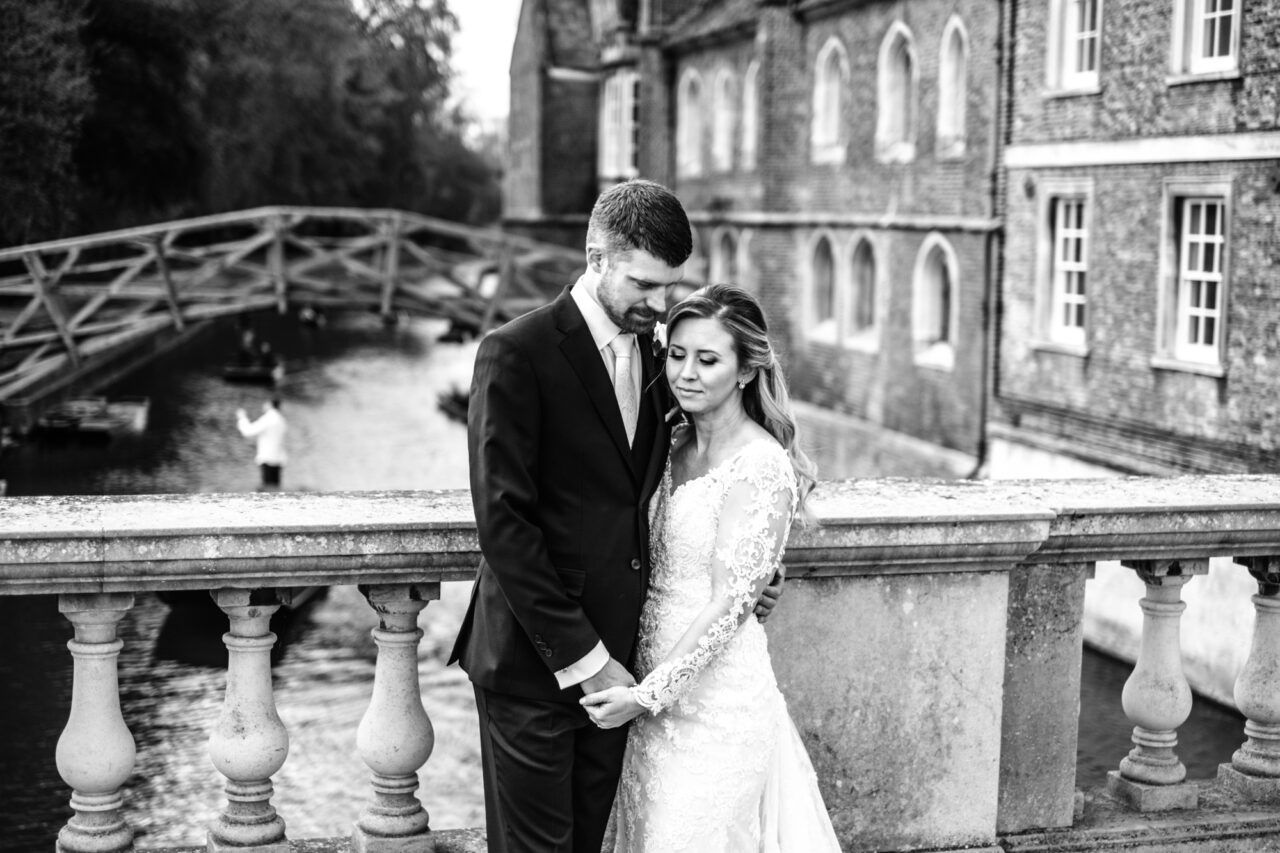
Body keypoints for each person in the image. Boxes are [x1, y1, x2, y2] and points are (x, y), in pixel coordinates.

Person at [448, 180, 782, 853]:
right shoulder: (516, 352)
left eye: (670, 285)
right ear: (595, 255)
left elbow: (693, 485)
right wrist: (586, 659)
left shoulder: (664, 360)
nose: (660, 304)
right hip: (535, 667)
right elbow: (505, 524)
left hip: (631, 673)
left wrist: (750, 574)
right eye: (644, 284)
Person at [581, 284, 841, 852]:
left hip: (715, 710)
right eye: (677, 355)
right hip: (647, 707)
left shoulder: (761, 464)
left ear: (747, 371)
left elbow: (729, 604)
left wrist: (649, 695)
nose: (686, 374)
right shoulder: (667, 443)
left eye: (708, 359)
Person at [235, 397, 287, 488]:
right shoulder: (281, 420)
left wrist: (242, 418)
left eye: (265, 403)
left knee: (268, 489)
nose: (263, 405)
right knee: (275, 489)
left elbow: (248, 431)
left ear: (270, 404)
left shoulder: (268, 418)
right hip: (278, 459)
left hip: (268, 459)